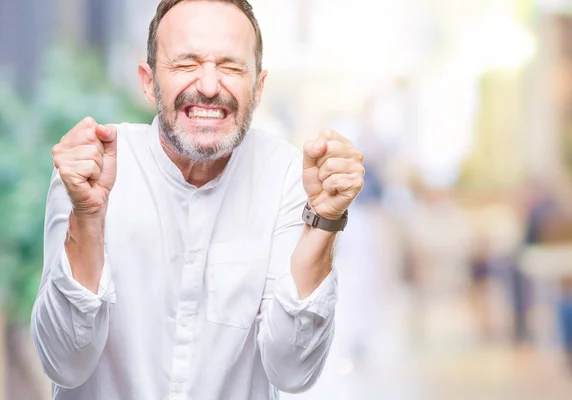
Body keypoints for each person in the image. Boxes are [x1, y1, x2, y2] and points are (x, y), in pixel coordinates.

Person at [30, 1, 365, 399]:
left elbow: (293, 371)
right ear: (147, 80)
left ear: (257, 87)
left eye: (230, 66)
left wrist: (324, 223)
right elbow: (64, 364)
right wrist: (88, 215)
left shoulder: (288, 178)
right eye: (186, 64)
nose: (208, 86)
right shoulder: (92, 166)